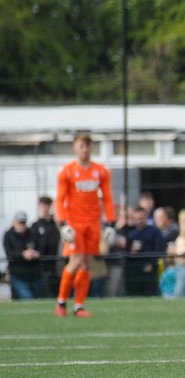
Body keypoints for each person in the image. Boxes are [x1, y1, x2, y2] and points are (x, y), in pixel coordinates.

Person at [54, 131, 115, 318]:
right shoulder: (67, 171)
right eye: (81, 145)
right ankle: (62, 301)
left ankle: (78, 305)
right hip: (75, 223)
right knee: (76, 261)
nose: (85, 149)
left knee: (87, 264)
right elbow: (60, 199)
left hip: (93, 223)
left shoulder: (100, 171)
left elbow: (107, 198)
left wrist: (111, 223)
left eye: (88, 145)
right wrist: (63, 223)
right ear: (75, 147)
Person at [123, 206, 166, 296]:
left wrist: (151, 263)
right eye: (137, 219)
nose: (139, 221)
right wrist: (131, 252)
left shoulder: (154, 231)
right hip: (135, 269)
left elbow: (159, 249)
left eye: (141, 218)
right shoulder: (131, 234)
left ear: (146, 217)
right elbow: (126, 253)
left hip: (150, 268)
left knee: (150, 293)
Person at [4, 212, 39, 300]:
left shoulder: (32, 233)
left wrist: (35, 253)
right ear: (14, 222)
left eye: (23, 222)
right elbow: (9, 253)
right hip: (17, 273)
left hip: (32, 273)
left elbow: (40, 248)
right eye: (19, 222)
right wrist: (22, 254)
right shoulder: (8, 235)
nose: (21, 225)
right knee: (27, 297)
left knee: (37, 298)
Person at [31, 196, 61, 298]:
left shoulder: (56, 224)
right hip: (42, 264)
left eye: (47, 205)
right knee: (45, 292)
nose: (45, 208)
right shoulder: (36, 225)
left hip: (57, 262)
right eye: (42, 205)